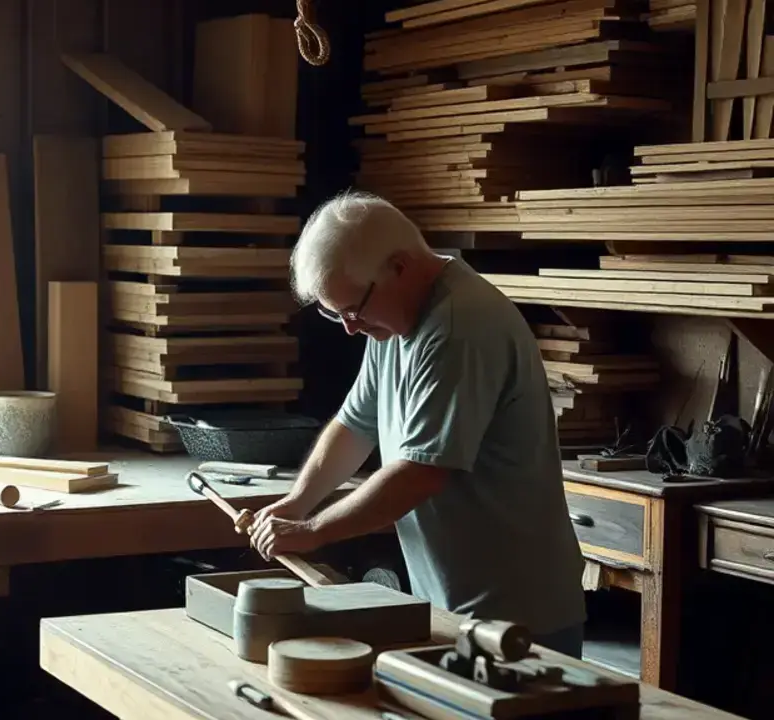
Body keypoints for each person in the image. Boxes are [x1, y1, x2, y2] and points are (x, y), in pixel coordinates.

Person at [249, 190, 587, 658]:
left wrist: (315, 530)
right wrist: (297, 503)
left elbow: (420, 472)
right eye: (337, 313)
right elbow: (355, 425)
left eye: (353, 309)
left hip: (516, 613)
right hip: (453, 602)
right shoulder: (390, 318)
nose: (349, 327)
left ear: (400, 267)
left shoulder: (459, 326)